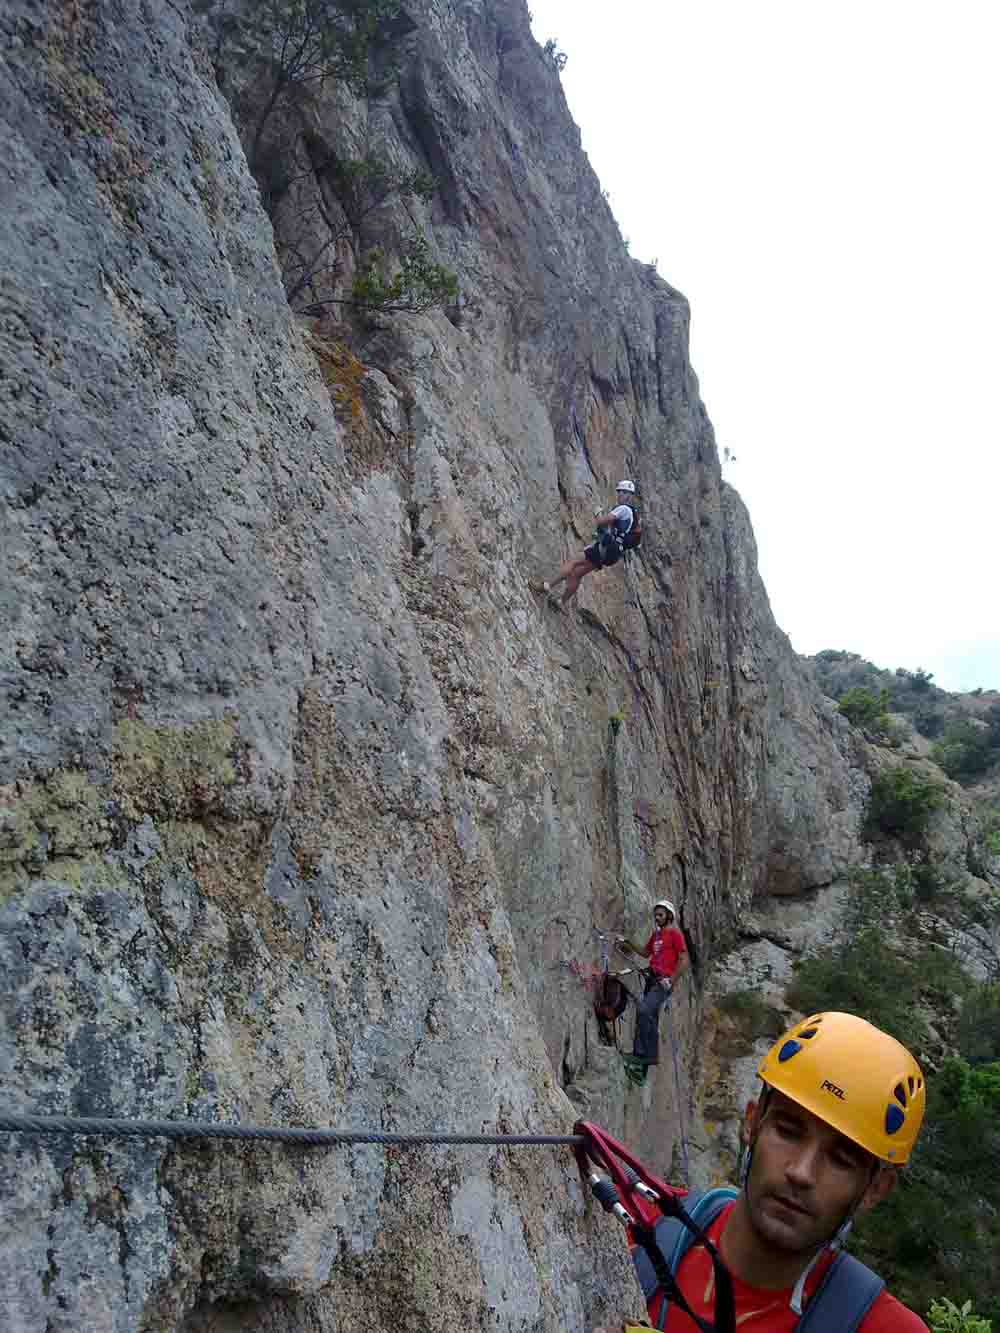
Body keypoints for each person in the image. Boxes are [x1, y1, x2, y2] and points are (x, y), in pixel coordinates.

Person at [594, 1012, 929, 1332]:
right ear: (752, 1123)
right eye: (788, 1132)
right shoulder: (625, 1227)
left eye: (841, 1159)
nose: (801, 1172)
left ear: (876, 1188)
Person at [533, 481, 639, 606]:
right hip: (611, 553)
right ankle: (561, 602)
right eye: (619, 492)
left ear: (627, 494)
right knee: (577, 574)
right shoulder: (632, 514)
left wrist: (598, 512)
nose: (619, 495)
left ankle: (547, 585)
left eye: (621, 492)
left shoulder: (623, 509)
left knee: (573, 562)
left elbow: (601, 521)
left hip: (604, 548)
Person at [617, 899, 687, 1068]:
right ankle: (645, 1057)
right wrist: (627, 942)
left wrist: (671, 980)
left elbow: (684, 960)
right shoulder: (656, 936)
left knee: (643, 1009)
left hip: (663, 983)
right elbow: (645, 952)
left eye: (660, 914)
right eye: (656, 915)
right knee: (650, 1017)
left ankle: (644, 1055)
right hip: (652, 979)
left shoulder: (674, 935)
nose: (657, 917)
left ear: (669, 916)